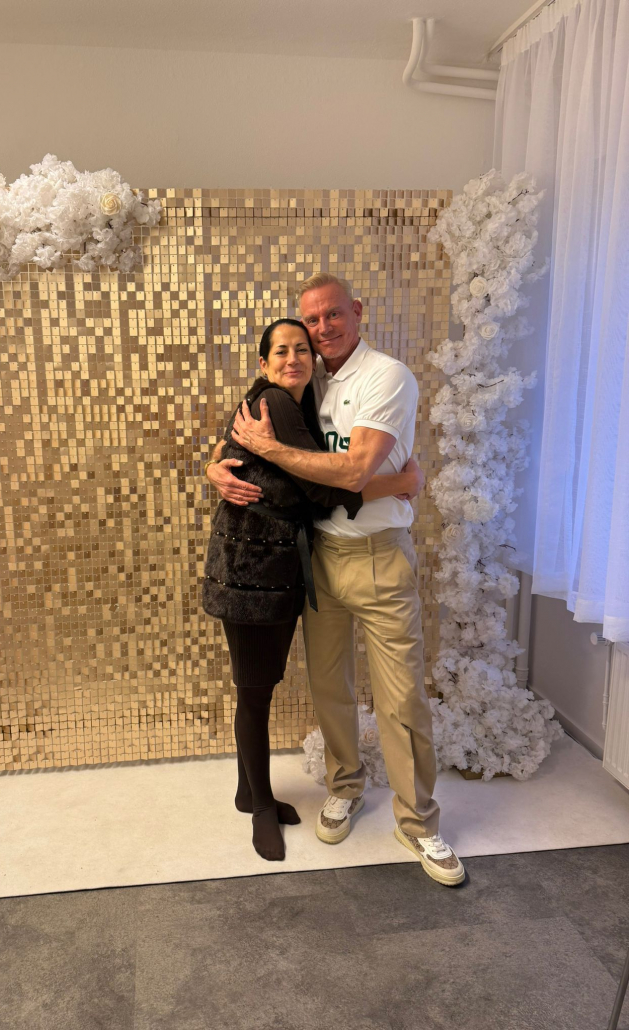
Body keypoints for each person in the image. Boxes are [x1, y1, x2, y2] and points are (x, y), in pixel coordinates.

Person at [208, 272, 465, 886]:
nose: (320, 331)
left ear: (357, 312)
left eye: (332, 316)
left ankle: (418, 822)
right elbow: (248, 438)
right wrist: (214, 467)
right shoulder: (305, 382)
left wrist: (391, 481)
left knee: (401, 697)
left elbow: (349, 473)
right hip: (319, 557)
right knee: (329, 688)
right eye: (310, 321)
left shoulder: (386, 376)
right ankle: (345, 787)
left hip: (378, 557)